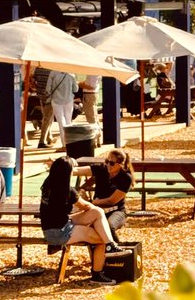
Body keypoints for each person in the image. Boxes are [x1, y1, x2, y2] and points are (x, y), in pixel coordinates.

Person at [39, 157, 121, 285]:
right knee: (101, 239)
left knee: (97, 213)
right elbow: (86, 206)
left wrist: (97, 211)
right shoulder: (67, 190)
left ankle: (111, 245)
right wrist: (96, 206)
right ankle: (97, 274)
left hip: (51, 227)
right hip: (61, 232)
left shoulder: (48, 183)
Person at [83, 148, 134, 239]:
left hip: (117, 211)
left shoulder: (126, 178)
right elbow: (77, 170)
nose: (108, 165)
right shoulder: (102, 168)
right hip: (98, 209)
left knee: (109, 226)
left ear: (120, 165)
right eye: (107, 161)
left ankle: (117, 249)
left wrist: (91, 202)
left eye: (112, 163)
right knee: (86, 228)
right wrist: (61, 165)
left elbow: (111, 201)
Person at [39, 69, 77, 148]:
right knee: (68, 121)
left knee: (61, 122)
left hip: (56, 101)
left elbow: (48, 90)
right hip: (68, 100)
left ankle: (64, 144)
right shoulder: (71, 74)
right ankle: (70, 142)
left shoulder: (53, 73)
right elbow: (75, 89)